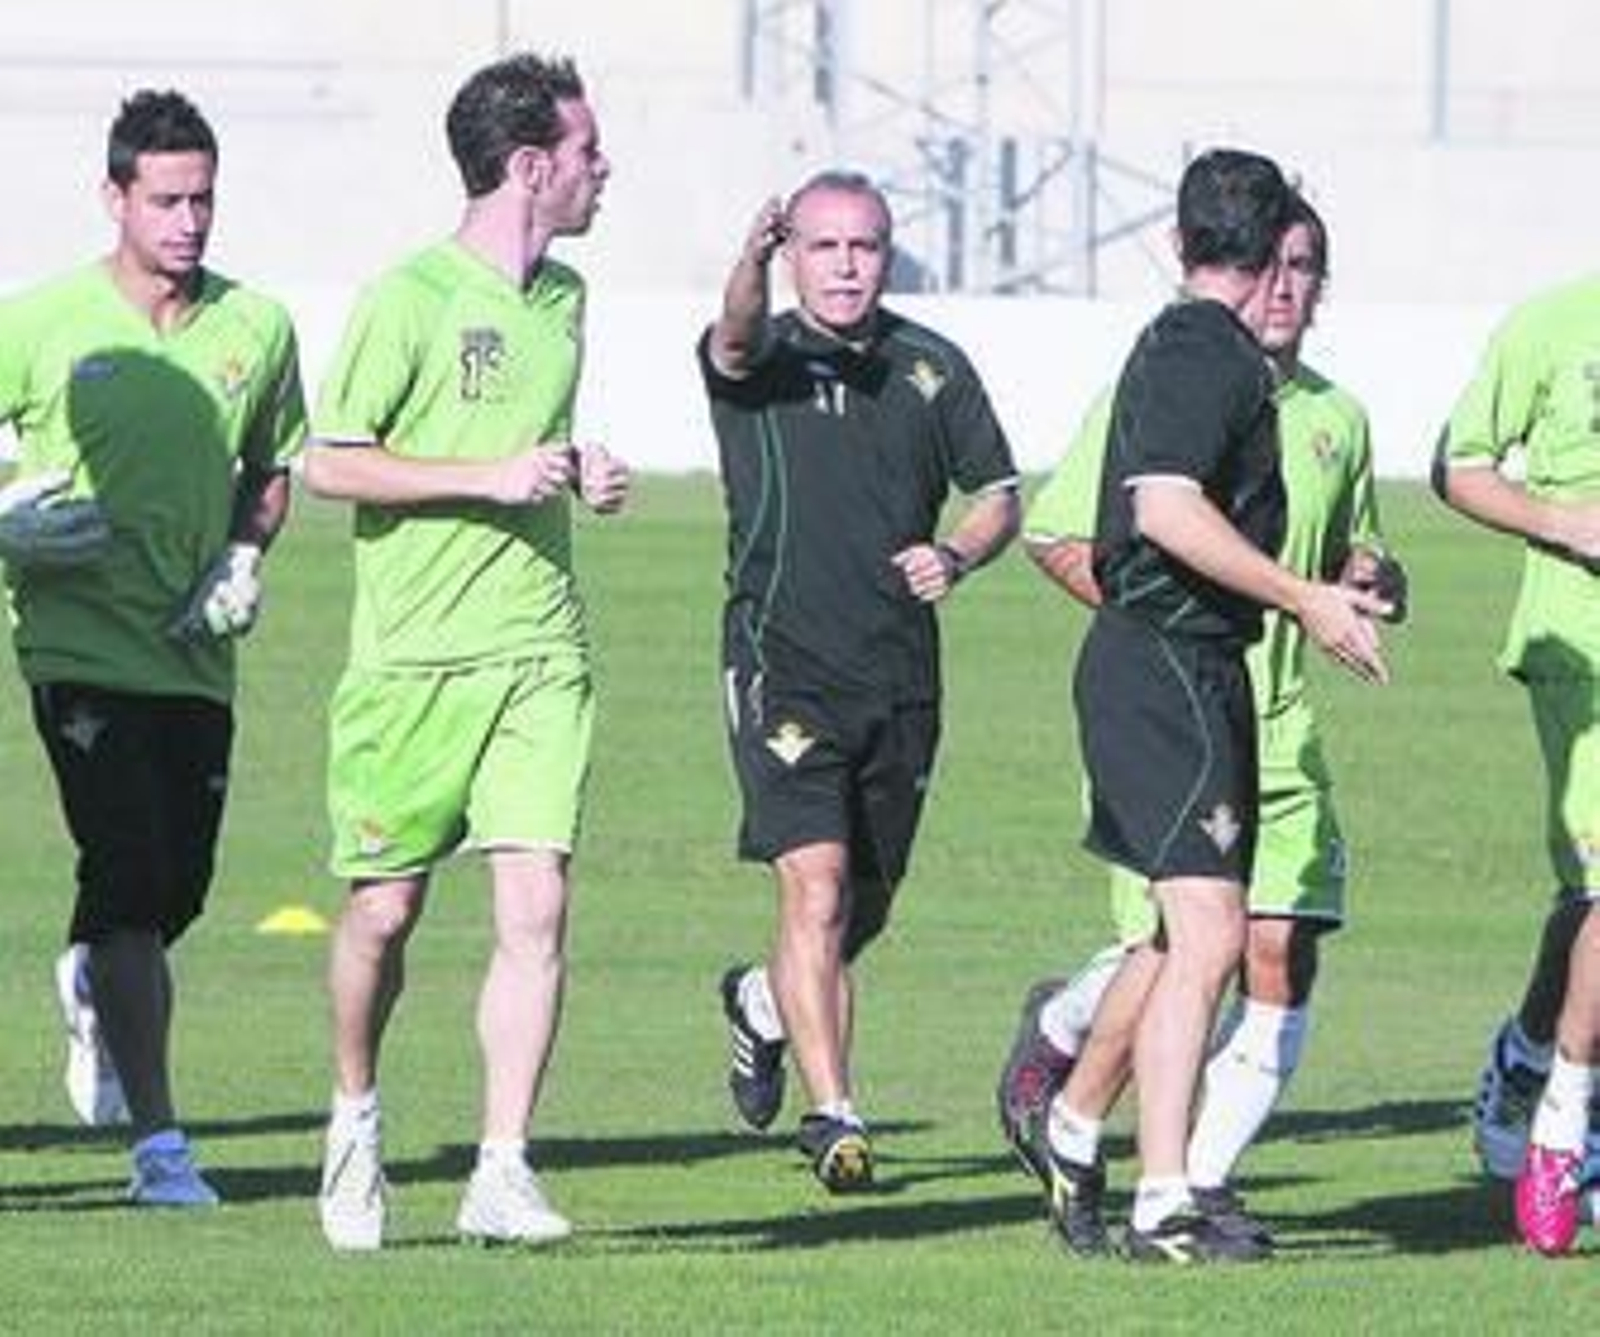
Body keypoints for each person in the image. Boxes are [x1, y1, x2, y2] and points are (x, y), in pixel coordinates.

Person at [996, 195, 1405, 1257]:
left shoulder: (1318, 409)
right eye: (1277, 258)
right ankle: (1168, 1191)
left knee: (1184, 940)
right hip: (1173, 677)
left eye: (1306, 264)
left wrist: (1349, 583)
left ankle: (1079, 1124)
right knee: (1215, 938)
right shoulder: (1190, 359)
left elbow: (1338, 545)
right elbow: (1137, 513)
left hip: (1237, 693)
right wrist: (1207, 614)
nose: (1285, 282)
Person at [305, 52, 627, 1253]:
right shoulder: (411, 298)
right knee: (382, 914)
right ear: (531, 165)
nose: (606, 172)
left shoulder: (568, 299)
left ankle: (502, 1163)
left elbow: (528, 442)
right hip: (411, 660)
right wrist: (483, 479)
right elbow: (333, 458)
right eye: (590, 152)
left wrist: (579, 470)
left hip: (538, 649)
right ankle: (354, 1112)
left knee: (536, 901)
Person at [0, 88, 305, 1205]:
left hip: (194, 655)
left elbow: (271, 470)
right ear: (115, 197)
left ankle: (88, 974)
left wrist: (241, 554)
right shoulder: (37, 323)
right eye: (167, 199)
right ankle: (161, 1148)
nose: (188, 220)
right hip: (74, 647)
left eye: (203, 199)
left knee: (177, 888)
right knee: (128, 876)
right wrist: (7, 523)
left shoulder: (257, 327)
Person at [701, 172, 1021, 1191]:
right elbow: (735, 333)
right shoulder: (762, 358)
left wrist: (959, 554)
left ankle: (761, 1000)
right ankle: (834, 1113)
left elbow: (1001, 494)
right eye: (824, 247)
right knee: (818, 882)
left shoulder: (931, 366)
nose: (845, 266)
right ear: (792, 254)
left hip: (899, 675)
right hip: (783, 663)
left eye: (865, 247)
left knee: (861, 910)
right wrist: (744, 264)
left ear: (888, 254)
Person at [1436, 275, 1600, 1255]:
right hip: (1578, 643)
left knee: (1584, 899)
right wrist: (1568, 522)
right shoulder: (1550, 323)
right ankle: (1563, 1128)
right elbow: (1458, 465)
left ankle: (1527, 1049)